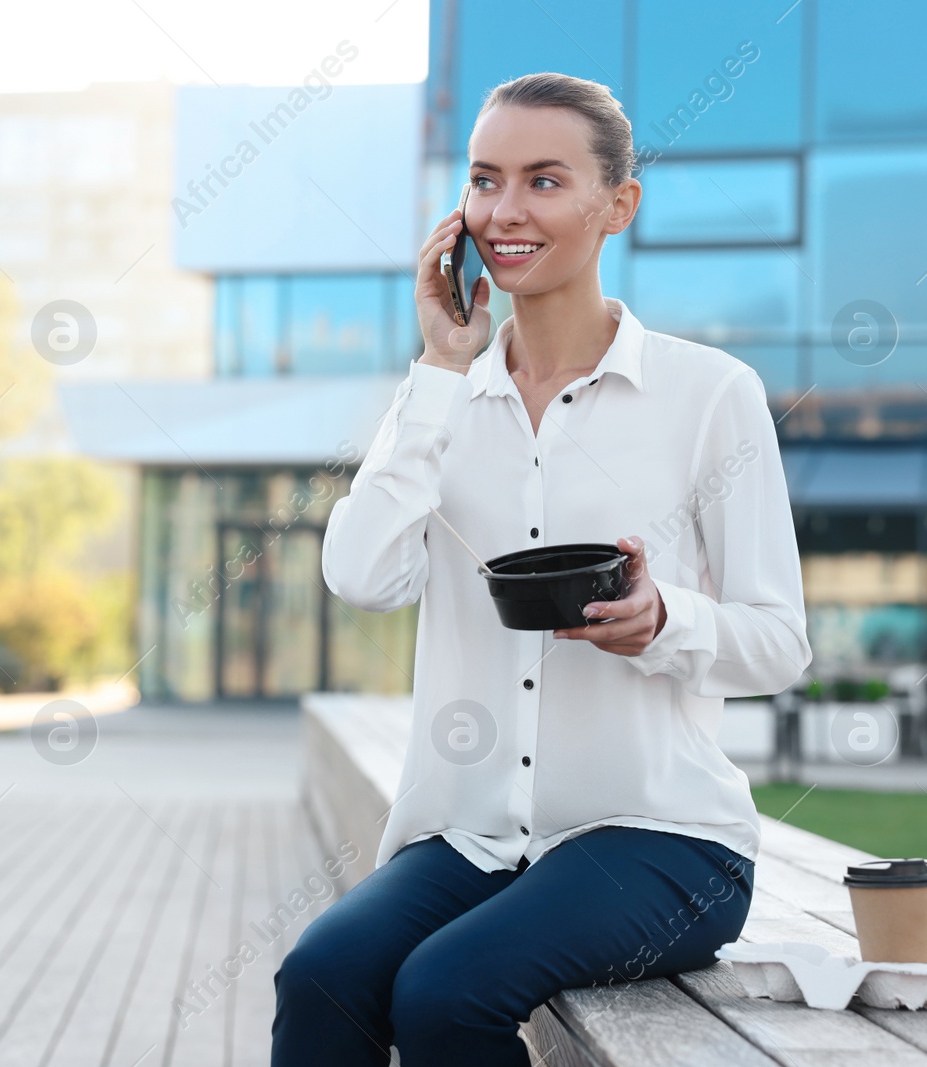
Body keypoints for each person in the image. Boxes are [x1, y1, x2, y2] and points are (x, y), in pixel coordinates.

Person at [270, 72, 811, 1065]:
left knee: (446, 990)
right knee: (320, 974)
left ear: (617, 204)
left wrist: (663, 621)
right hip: (471, 839)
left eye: (543, 180)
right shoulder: (441, 400)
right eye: (483, 180)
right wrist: (438, 369)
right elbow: (359, 572)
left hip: (661, 839)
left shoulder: (709, 395)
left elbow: (778, 641)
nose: (503, 212)